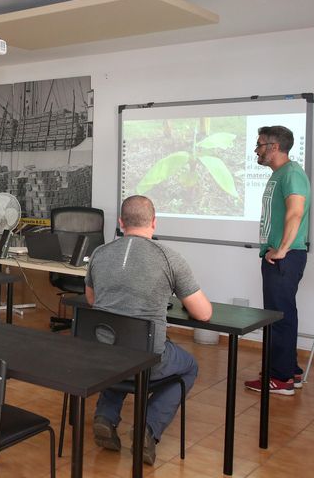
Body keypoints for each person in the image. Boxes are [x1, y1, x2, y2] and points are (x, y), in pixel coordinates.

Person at [85, 195, 212, 465]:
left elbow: (92, 300)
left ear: (120, 223)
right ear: (154, 223)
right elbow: (204, 313)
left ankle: (106, 417)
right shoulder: (169, 257)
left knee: (118, 349)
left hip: (103, 356)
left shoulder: (99, 253)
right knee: (189, 366)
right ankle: (148, 428)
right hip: (146, 359)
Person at [245, 126, 311, 396]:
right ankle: (289, 371)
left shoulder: (292, 174)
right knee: (282, 315)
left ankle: (280, 379)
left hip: (285, 257)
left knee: (278, 318)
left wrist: (281, 250)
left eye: (259, 145)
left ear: (273, 147)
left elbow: (295, 213)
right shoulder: (280, 174)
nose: (257, 150)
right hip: (280, 256)